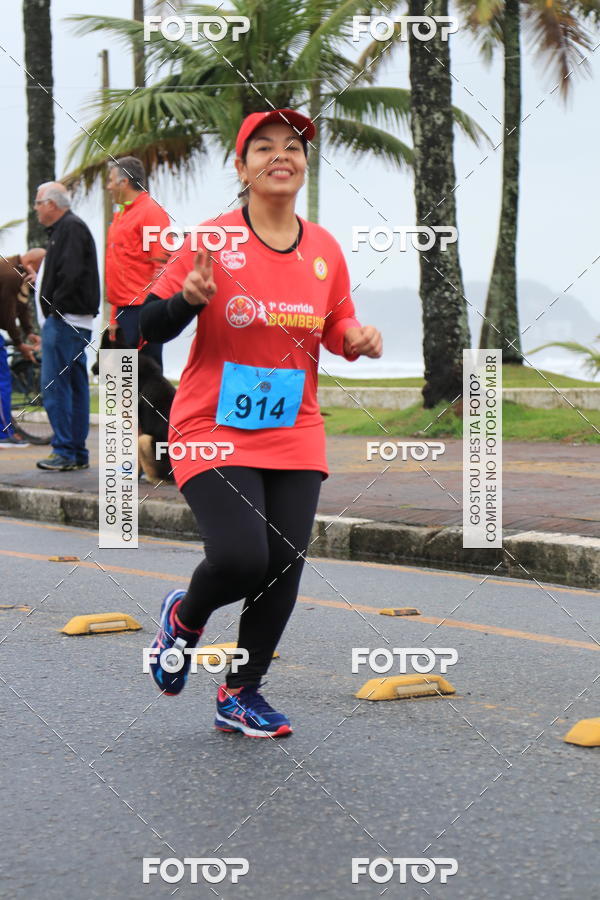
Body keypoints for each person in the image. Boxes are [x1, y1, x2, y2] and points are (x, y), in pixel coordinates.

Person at [140, 108, 382, 739]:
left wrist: (355, 339)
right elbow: (142, 324)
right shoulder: (210, 240)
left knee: (282, 565)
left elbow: (336, 323)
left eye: (293, 147)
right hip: (212, 424)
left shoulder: (324, 248)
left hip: (294, 427)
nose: (282, 156)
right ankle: (185, 618)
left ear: (304, 164)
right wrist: (186, 301)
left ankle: (241, 693)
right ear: (242, 167)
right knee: (241, 557)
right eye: (265, 147)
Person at [33, 182, 100, 471]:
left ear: (51, 204)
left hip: (65, 321)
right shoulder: (67, 228)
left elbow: (70, 273)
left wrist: (54, 309)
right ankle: (75, 451)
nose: (35, 208)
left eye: (38, 203)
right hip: (73, 320)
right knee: (74, 386)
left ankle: (65, 451)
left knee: (56, 387)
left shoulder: (70, 228)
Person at [105, 157, 170, 369]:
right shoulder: (120, 215)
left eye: (111, 180)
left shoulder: (151, 211)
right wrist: (113, 318)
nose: (108, 186)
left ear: (124, 183)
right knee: (117, 380)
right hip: (122, 309)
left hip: (143, 308)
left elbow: (163, 265)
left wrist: (154, 313)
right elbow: (117, 269)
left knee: (146, 379)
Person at [0, 248, 45, 446]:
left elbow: (22, 305)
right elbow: (8, 315)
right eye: (41, 269)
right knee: (2, 381)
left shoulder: (18, 271)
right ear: (32, 265)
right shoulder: (11, 275)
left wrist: (29, 332)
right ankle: (3, 434)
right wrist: (19, 343)